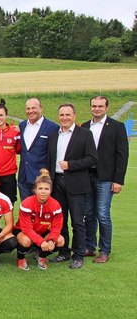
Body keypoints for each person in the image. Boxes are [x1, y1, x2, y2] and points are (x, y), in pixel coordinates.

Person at [47, 103, 97, 269]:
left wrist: (71, 165)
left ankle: (79, 254)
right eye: (61, 115)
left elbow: (92, 159)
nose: (64, 118)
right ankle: (64, 251)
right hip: (57, 183)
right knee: (60, 221)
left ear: (74, 115)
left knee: (77, 221)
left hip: (76, 183)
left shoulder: (84, 134)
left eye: (68, 115)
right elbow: (50, 159)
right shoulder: (54, 135)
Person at [82, 96, 129, 263]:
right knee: (89, 214)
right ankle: (89, 246)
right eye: (94, 106)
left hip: (106, 178)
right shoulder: (85, 126)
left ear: (106, 107)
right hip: (87, 176)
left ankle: (104, 250)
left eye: (100, 106)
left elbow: (122, 155)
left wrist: (118, 180)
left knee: (102, 214)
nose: (97, 109)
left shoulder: (117, 127)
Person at [15, 169, 65, 270]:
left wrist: (51, 240)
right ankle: (21, 258)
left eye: (46, 189)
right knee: (26, 241)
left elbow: (56, 227)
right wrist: (41, 242)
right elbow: (26, 228)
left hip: (42, 231)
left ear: (50, 190)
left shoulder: (55, 205)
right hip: (24, 231)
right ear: (35, 190)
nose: (43, 191)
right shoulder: (26, 203)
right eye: (40, 188)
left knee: (60, 240)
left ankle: (41, 256)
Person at [18, 98, 59, 201]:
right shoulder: (22, 125)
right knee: (26, 210)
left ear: (41, 108)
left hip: (41, 179)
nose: (30, 111)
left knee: (42, 212)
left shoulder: (53, 127)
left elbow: (54, 154)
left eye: (34, 108)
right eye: (28, 108)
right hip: (24, 178)